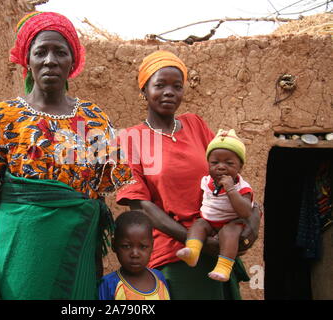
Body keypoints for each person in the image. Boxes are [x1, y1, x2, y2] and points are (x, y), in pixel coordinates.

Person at [0, 11, 132, 300]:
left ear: (72, 61)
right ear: (28, 61)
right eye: (40, 52)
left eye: (60, 52)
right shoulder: (1, 118)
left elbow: (97, 199)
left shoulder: (94, 119)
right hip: (20, 257)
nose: (50, 60)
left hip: (77, 257)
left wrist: (95, 263)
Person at [116, 50, 261, 300]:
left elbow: (229, 171)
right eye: (160, 85)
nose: (169, 92)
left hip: (219, 246)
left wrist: (253, 218)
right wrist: (197, 242)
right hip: (177, 254)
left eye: (177, 86)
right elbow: (139, 204)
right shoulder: (132, 139)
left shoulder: (195, 124)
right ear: (144, 90)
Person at [176, 129, 254, 282]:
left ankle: (223, 268)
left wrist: (231, 190)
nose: (221, 167)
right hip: (210, 222)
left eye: (229, 163)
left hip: (232, 222)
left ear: (240, 167)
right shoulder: (206, 181)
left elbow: (246, 212)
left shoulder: (242, 187)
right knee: (198, 224)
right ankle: (192, 252)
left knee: (229, 232)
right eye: (215, 163)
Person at [98, 211, 170, 300]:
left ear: (152, 246)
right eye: (126, 246)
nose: (135, 254)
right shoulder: (109, 284)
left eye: (143, 247)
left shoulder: (159, 278)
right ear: (114, 245)